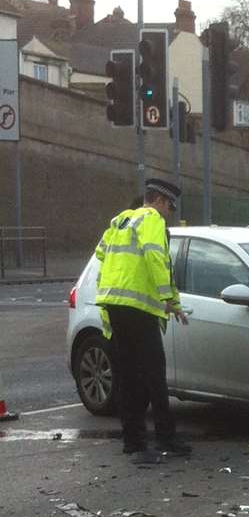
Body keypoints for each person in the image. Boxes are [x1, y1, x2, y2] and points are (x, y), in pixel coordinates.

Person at [94, 176, 191, 464]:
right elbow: (156, 259)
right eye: (169, 206)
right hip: (139, 308)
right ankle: (165, 437)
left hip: (114, 305)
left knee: (127, 377)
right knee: (154, 376)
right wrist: (169, 300)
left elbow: (102, 258)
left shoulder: (120, 221)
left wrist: (106, 309)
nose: (169, 213)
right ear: (159, 201)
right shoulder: (151, 220)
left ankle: (133, 442)